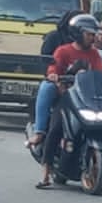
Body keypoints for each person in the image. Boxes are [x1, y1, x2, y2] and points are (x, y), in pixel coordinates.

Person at [37, 13, 102, 189]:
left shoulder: (94, 54)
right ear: (78, 33)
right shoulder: (63, 51)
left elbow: (100, 72)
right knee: (55, 128)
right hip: (67, 99)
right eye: (89, 34)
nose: (92, 38)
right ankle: (46, 171)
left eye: (93, 34)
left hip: (88, 100)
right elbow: (53, 68)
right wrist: (54, 75)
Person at [29, 9, 84, 149]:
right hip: (58, 79)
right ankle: (39, 131)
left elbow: (98, 68)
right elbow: (46, 62)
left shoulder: (90, 46)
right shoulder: (55, 39)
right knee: (47, 88)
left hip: (82, 84)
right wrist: (53, 76)